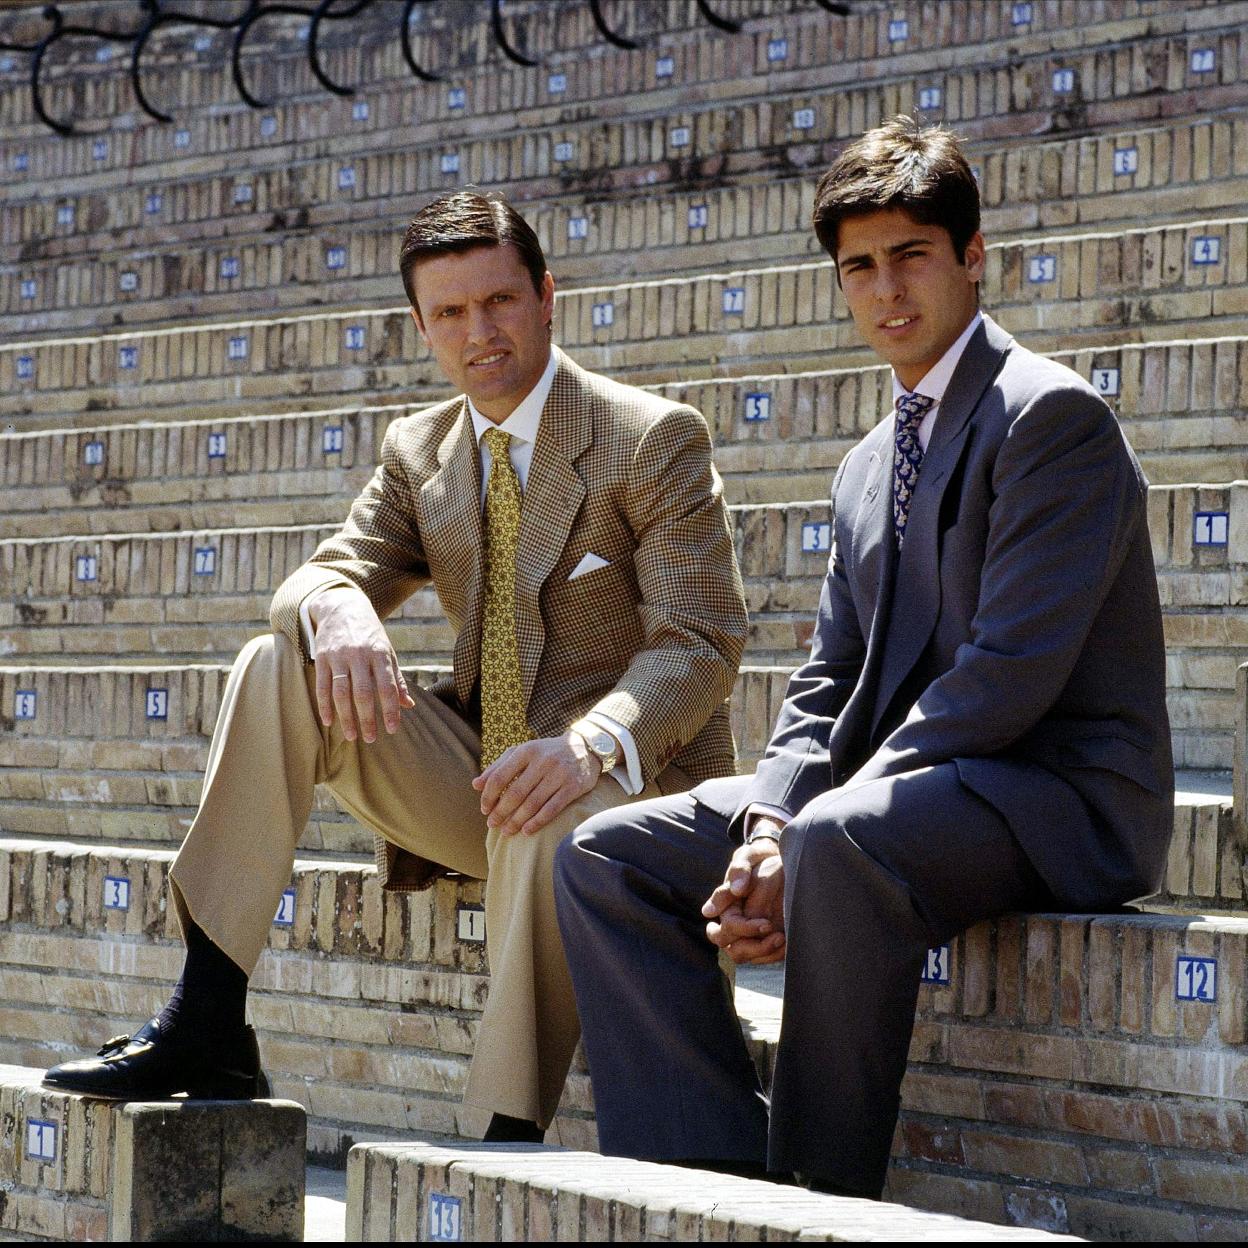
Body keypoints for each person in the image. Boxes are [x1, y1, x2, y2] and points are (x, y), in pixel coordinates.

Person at [45, 191, 748, 1143]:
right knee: (274, 663)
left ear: (547, 296)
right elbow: (331, 567)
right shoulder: (421, 450)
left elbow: (701, 641)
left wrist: (586, 746)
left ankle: (500, 1139)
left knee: (548, 818)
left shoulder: (651, 437)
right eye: (451, 314)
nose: (480, 333)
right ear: (422, 327)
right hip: (480, 778)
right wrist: (336, 608)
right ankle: (209, 1016)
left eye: (499, 301)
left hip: (631, 791)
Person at [554, 117, 1174, 1196]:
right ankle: (704, 1173)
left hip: (1059, 794)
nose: (887, 291)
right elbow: (827, 682)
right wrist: (766, 824)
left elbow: (1005, 679)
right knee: (606, 855)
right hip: (907, 795)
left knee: (840, 839)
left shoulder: (1052, 419)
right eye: (860, 268)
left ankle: (812, 1196)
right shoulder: (864, 464)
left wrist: (812, 833)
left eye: (913, 257)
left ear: (974, 258)